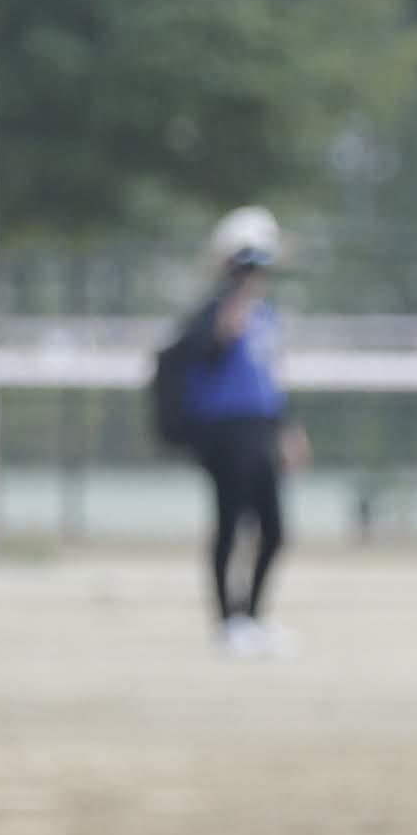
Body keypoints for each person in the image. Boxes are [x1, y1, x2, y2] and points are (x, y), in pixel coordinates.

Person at [164, 206, 303, 655]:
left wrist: (285, 429)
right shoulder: (215, 313)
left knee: (274, 530)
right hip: (225, 434)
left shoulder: (266, 316)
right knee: (230, 525)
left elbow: (267, 379)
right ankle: (228, 623)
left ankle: (253, 616)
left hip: (260, 429)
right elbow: (202, 353)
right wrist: (229, 310)